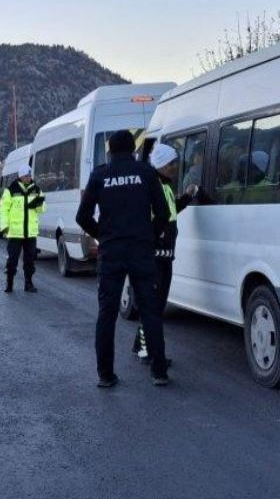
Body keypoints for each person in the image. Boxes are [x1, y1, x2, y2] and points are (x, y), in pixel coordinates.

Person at [76, 130, 171, 387]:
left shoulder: (100, 175)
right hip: (141, 251)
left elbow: (82, 217)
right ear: (132, 149)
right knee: (150, 311)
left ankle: (105, 375)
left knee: (107, 313)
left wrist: (103, 236)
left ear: (110, 150)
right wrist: (150, 236)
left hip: (111, 252)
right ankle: (158, 371)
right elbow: (163, 213)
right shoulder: (146, 173)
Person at [133, 143, 207, 362]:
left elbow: (171, 210)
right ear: (162, 164)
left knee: (154, 304)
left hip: (164, 255)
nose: (176, 167)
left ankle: (140, 344)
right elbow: (153, 219)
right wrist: (157, 242)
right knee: (154, 306)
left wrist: (187, 196)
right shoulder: (154, 185)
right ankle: (149, 352)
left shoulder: (163, 185)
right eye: (172, 163)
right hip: (156, 256)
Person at [0, 165, 45, 293]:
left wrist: (38, 203)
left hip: (30, 232)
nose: (28, 178)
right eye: (26, 176)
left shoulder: (37, 190)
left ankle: (28, 283)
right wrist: (4, 227)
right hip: (15, 232)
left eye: (30, 175)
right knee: (12, 260)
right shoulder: (11, 190)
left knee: (30, 260)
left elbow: (42, 209)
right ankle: (9, 282)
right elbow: (2, 210)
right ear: (20, 176)